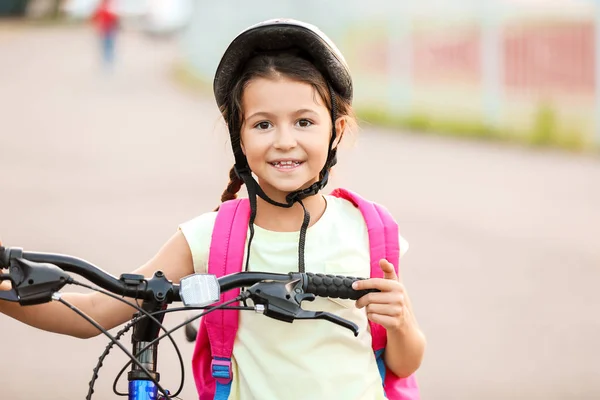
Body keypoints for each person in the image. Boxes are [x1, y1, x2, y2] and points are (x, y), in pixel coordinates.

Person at [0, 19, 426, 400]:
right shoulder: (209, 238)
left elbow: (403, 363)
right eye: (262, 124)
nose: (283, 140)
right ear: (238, 139)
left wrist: (402, 322)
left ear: (336, 131)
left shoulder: (368, 231)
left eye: (303, 122)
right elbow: (94, 313)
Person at [92, 0, 119, 68]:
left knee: (107, 47)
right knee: (107, 47)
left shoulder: (104, 9)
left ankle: (107, 62)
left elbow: (95, 18)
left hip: (108, 30)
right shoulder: (106, 10)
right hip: (106, 30)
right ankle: (107, 62)